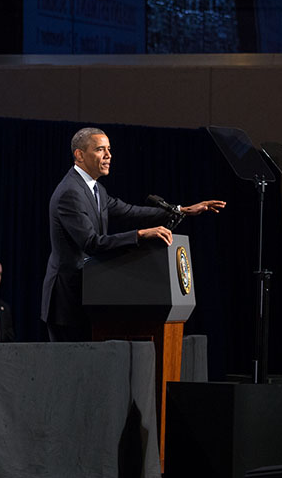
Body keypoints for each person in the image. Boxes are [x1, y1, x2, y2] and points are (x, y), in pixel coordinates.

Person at [41, 126, 226, 342]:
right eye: (100, 149)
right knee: (71, 372)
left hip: (88, 295)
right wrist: (141, 235)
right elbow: (92, 243)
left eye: (109, 149)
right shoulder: (70, 192)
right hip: (67, 303)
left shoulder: (96, 189)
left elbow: (129, 211)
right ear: (79, 155)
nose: (109, 155)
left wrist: (181, 210)